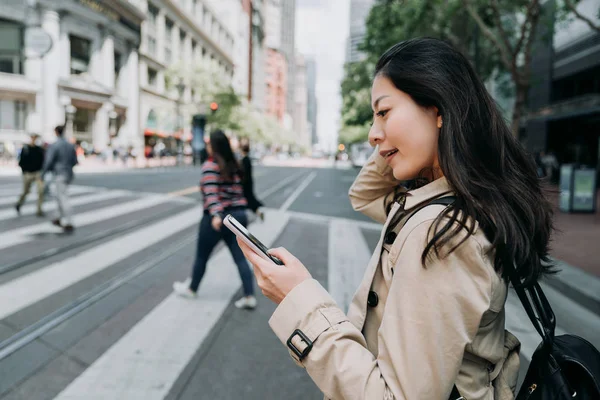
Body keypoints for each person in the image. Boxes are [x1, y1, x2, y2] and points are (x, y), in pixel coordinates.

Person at [237, 38, 555, 400]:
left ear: (438, 109)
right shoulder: (451, 202)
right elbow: (365, 196)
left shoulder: (441, 234)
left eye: (384, 112)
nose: (372, 133)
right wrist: (401, 143)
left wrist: (298, 298)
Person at [173, 130, 257, 309]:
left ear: (213, 146)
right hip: (238, 217)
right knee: (241, 258)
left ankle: (192, 289)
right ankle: (250, 296)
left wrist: (216, 215)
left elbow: (211, 194)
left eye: (209, 143)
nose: (207, 146)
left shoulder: (211, 165)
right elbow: (240, 191)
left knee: (202, 256)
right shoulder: (235, 164)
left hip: (218, 219)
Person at [41, 125, 78, 232]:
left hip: (59, 173)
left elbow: (48, 161)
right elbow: (75, 161)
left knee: (62, 197)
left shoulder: (55, 145)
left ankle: (69, 221)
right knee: (59, 195)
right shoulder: (70, 145)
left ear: (56, 132)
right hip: (68, 173)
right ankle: (57, 217)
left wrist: (43, 174)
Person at [15, 134, 45, 217]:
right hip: (28, 173)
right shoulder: (25, 148)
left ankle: (39, 210)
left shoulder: (39, 149)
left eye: (35, 138)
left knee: (41, 191)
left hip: (37, 173)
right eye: (33, 137)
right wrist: (24, 172)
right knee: (25, 191)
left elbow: (43, 161)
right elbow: (21, 162)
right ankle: (19, 203)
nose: (34, 139)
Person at [239, 139, 264, 221]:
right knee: (249, 200)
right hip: (248, 183)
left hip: (245, 184)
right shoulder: (247, 159)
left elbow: (243, 173)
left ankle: (243, 217)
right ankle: (258, 212)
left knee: (246, 201)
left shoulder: (245, 160)